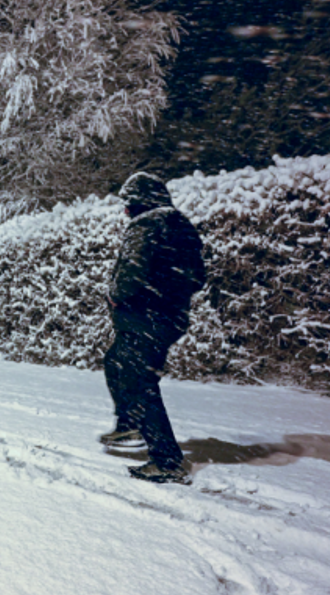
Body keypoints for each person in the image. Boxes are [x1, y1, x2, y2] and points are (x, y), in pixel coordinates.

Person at [101, 172, 206, 485]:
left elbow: (131, 271)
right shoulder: (183, 228)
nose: (125, 211)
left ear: (142, 202)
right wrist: (171, 295)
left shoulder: (146, 225)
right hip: (170, 318)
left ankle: (166, 460)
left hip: (144, 317)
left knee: (140, 383)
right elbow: (199, 277)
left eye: (129, 204)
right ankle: (130, 423)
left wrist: (116, 295)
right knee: (116, 363)